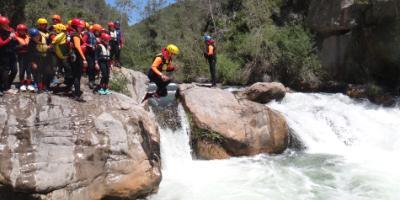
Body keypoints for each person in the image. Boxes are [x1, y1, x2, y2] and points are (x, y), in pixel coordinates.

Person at [27, 28, 52, 93]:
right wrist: (33, 63)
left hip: (46, 58)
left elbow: (51, 44)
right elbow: (30, 54)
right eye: (34, 37)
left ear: (39, 34)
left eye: (37, 36)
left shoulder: (45, 38)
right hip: (37, 59)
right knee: (38, 74)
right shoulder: (31, 43)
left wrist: (49, 47)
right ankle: (40, 88)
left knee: (47, 73)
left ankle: (45, 86)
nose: (36, 38)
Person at [69, 18, 87, 101]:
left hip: (74, 57)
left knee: (76, 75)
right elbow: (77, 47)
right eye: (80, 27)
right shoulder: (75, 35)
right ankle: (77, 94)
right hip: (77, 57)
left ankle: (75, 92)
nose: (81, 28)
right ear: (76, 26)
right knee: (77, 76)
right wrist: (84, 58)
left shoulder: (73, 34)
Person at [15, 24, 34, 92]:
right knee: (22, 70)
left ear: (25, 31)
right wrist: (20, 46)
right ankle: (22, 84)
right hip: (21, 56)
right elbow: (14, 48)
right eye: (20, 30)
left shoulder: (28, 37)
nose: (22, 31)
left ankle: (29, 84)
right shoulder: (16, 38)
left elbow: (32, 46)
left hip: (28, 55)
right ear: (18, 31)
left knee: (29, 70)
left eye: (23, 30)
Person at [0, 16, 16, 96]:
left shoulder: (11, 29)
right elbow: (1, 43)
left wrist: (15, 38)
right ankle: (6, 88)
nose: (6, 25)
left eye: (6, 23)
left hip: (12, 52)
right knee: (5, 70)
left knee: (14, 70)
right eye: (4, 24)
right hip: (4, 54)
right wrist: (10, 38)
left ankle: (7, 85)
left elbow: (15, 39)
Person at [82, 21, 98, 89]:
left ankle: (93, 81)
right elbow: (83, 42)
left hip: (93, 53)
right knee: (90, 67)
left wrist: (96, 46)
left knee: (94, 67)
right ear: (95, 30)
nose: (98, 32)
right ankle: (90, 81)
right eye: (97, 31)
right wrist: (90, 46)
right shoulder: (88, 34)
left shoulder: (95, 36)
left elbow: (96, 44)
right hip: (88, 52)